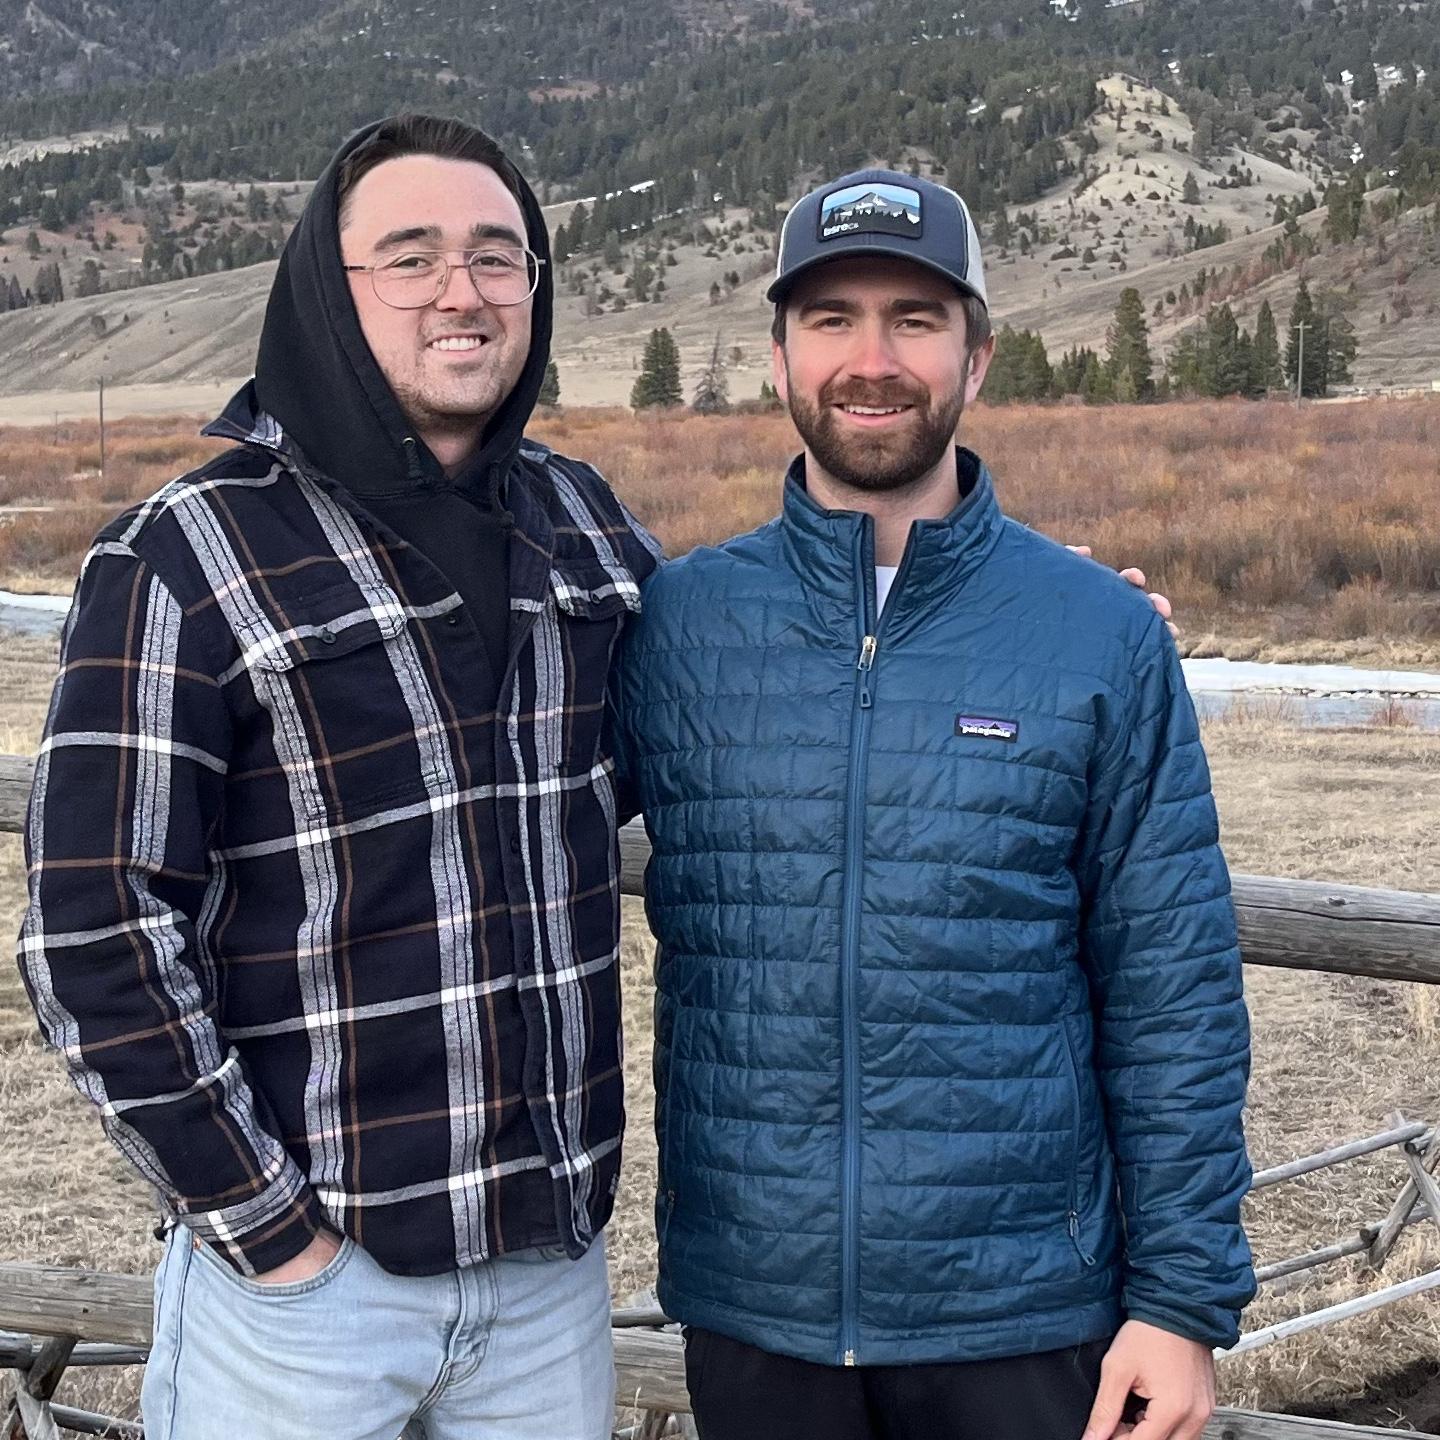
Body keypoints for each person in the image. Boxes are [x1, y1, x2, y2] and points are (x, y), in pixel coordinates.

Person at [17, 113, 660, 1440]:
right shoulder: (185, 557)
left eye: (498, 257)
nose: (462, 292)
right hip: (312, 1288)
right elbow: (96, 926)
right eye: (409, 258)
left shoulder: (587, 528)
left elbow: (711, 750)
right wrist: (268, 1233)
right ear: (329, 285)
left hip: (547, 1272)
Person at [611, 169, 1254, 1440]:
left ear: (976, 357)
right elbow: (503, 828)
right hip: (757, 1310)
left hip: (1023, 1316)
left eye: (915, 319)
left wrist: (1182, 1303)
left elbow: (1173, 988)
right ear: (779, 357)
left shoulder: (1098, 635)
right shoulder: (680, 626)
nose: (873, 359)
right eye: (833, 318)